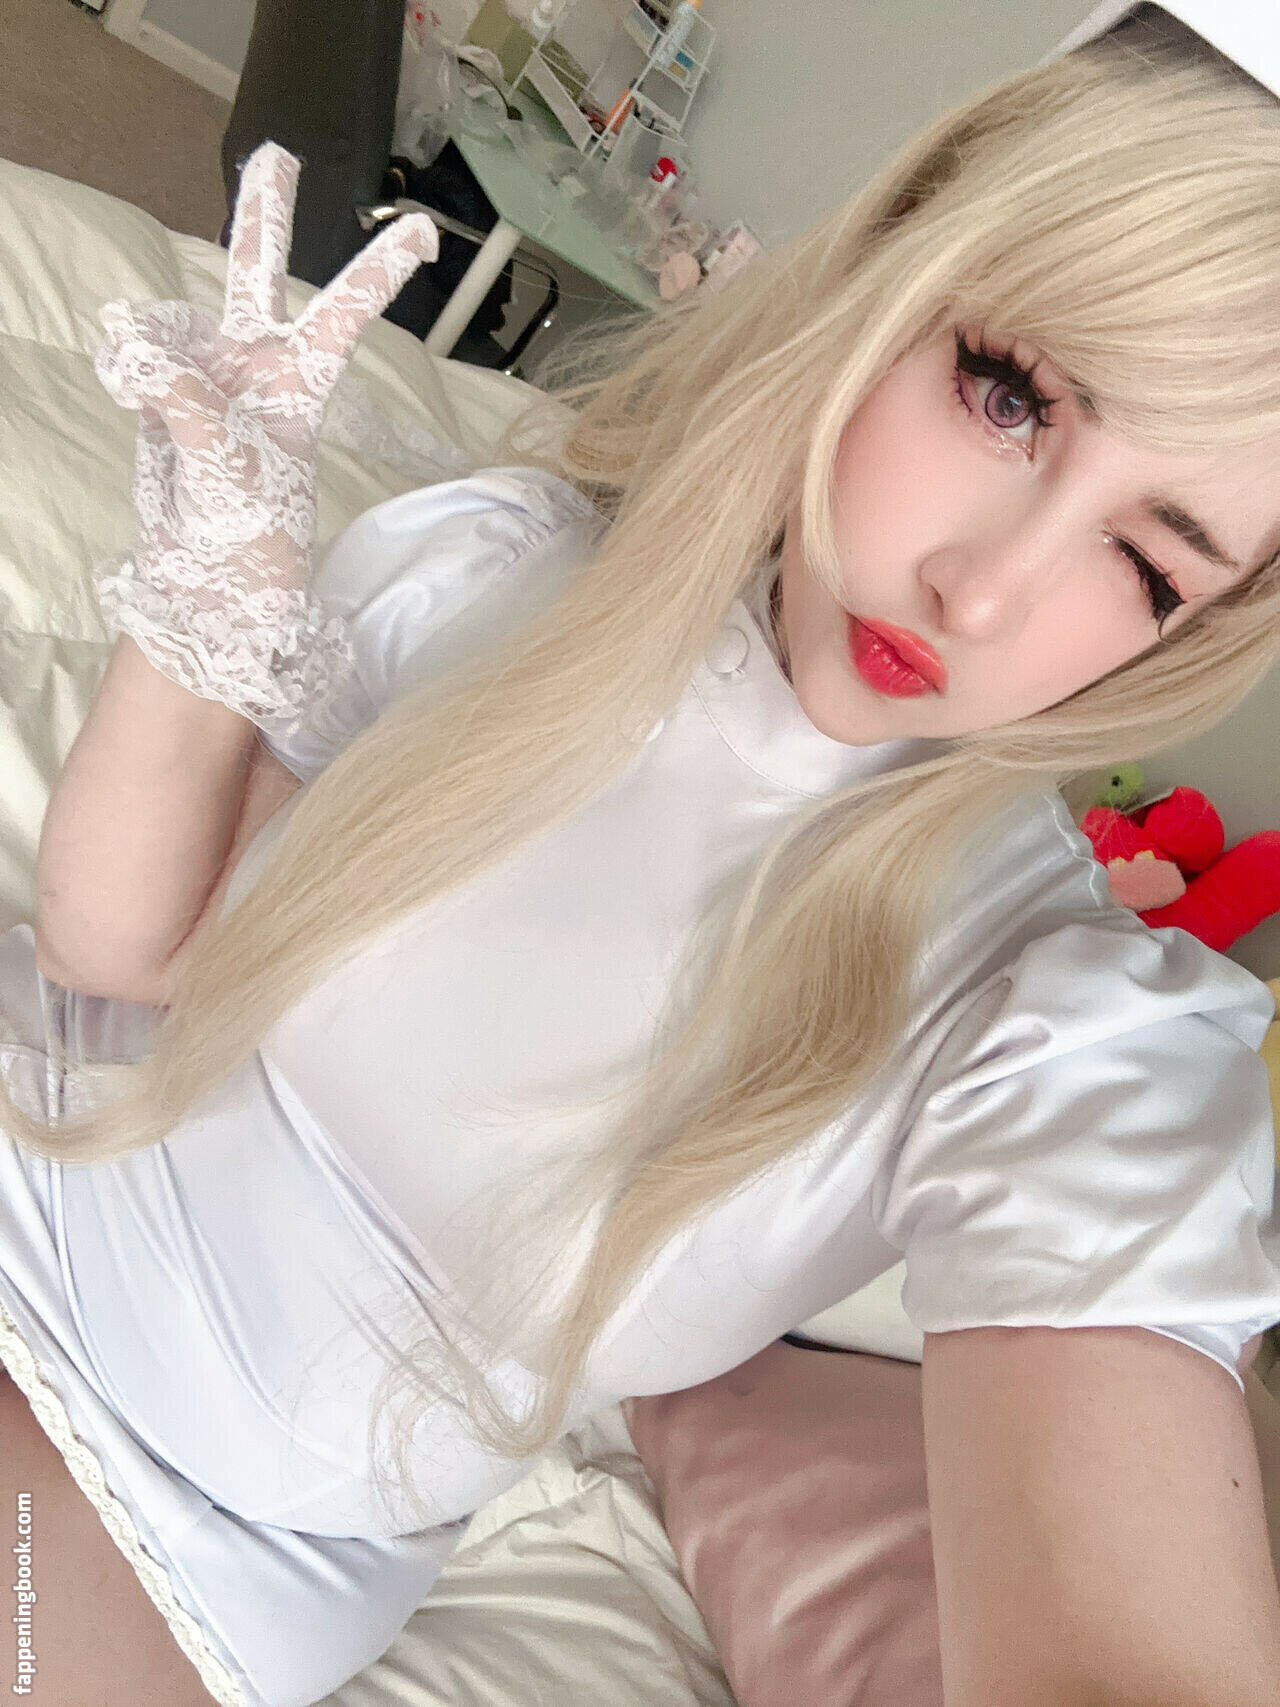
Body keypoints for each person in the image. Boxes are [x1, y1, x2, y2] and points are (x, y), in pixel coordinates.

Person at [4, 4, 1280, 1704]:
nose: (984, 595)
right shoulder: (501, 562)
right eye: (1007, 398)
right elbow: (121, 953)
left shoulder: (1044, 1016)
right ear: (888, 278)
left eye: (1147, 563)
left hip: (195, 1536)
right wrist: (199, 628)